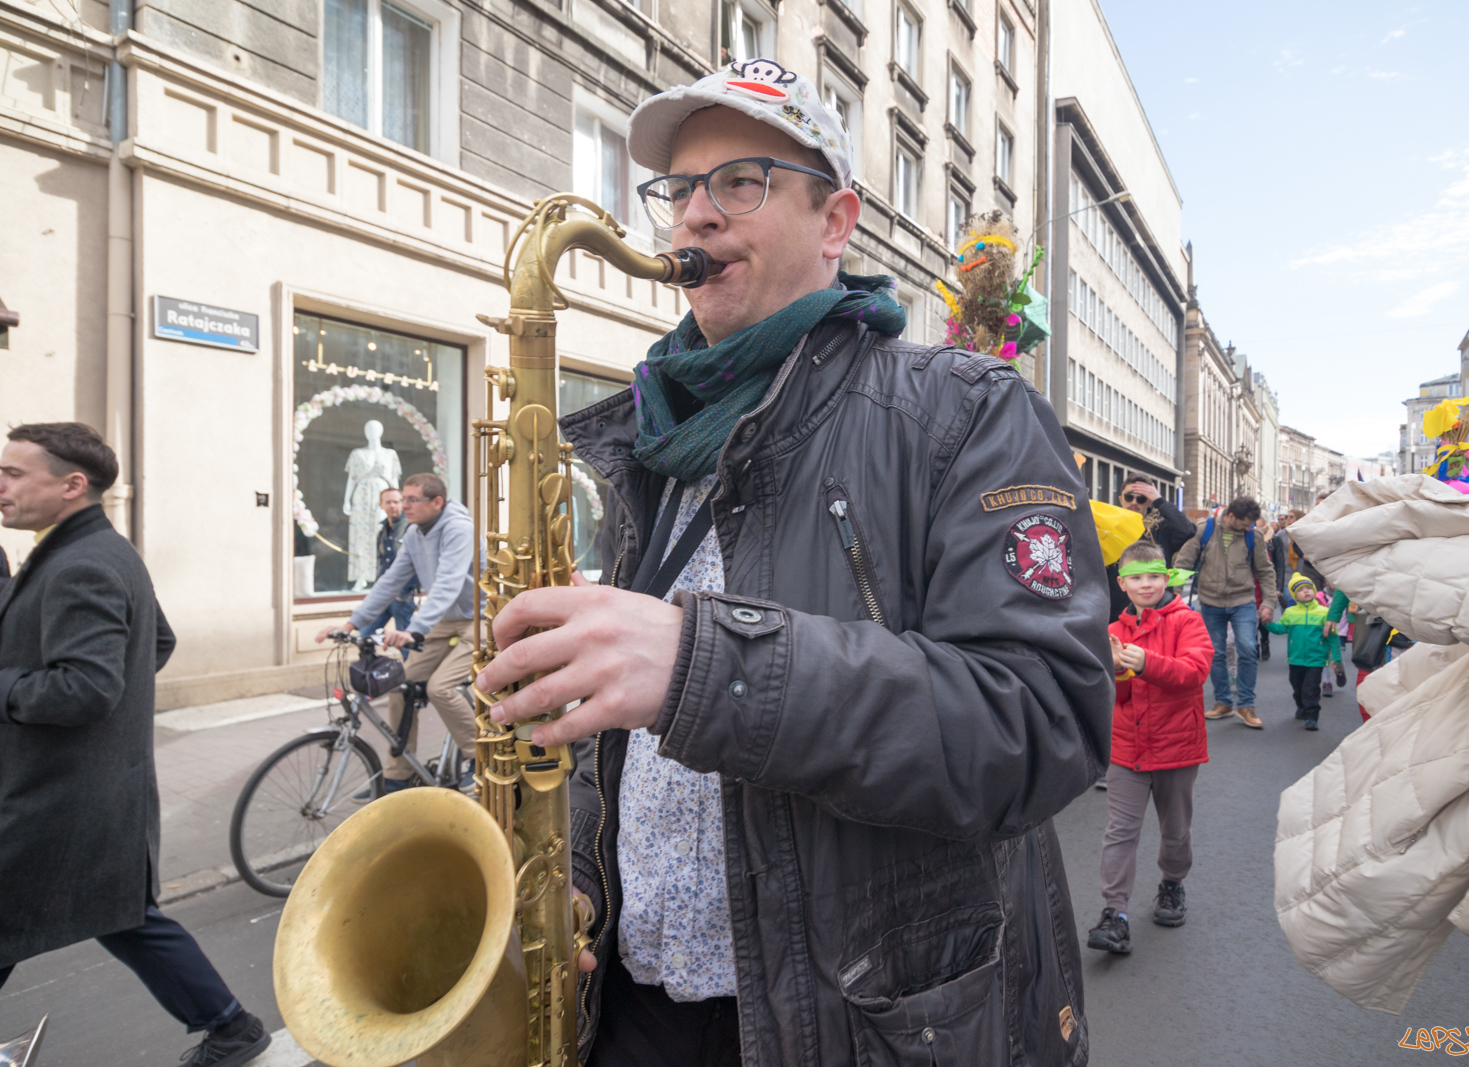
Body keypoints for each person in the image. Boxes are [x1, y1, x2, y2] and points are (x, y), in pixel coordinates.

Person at [470, 59, 1113, 1066]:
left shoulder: (968, 412)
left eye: (740, 181)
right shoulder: (640, 444)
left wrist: (701, 663)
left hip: (859, 1024)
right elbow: (616, 733)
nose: (694, 216)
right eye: (678, 189)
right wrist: (576, 868)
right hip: (629, 1008)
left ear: (836, 220)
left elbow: (1043, 721)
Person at [0, 423, 270, 1067]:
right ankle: (231, 1027)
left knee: (109, 914)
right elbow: (155, 643)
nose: (0, 485)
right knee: (123, 916)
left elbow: (84, 689)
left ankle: (234, 1029)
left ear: (71, 485)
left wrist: (10, 687)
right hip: (83, 793)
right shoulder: (95, 551)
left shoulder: (82, 563)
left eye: (12, 473)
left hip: (55, 800)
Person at [1086, 542, 1213, 956]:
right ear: (1121, 584)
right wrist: (1119, 673)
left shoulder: (1187, 620)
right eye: (1136, 578)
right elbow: (1115, 699)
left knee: (1175, 831)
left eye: (1154, 576)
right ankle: (1115, 912)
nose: (1146, 584)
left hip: (1177, 748)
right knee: (1120, 832)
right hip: (1126, 749)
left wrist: (1146, 664)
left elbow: (1195, 673)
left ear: (1167, 579)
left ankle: (1172, 884)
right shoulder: (1111, 632)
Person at [316, 472, 479, 794]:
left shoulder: (459, 529)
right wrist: (351, 624)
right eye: (402, 499)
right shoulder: (415, 534)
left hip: (480, 618)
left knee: (440, 688)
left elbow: (448, 583)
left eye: (411, 499)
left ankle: (480, 759)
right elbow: (389, 582)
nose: (403, 505)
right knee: (399, 685)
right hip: (444, 621)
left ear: (437, 502)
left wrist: (414, 630)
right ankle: (398, 776)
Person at [1172, 495, 1277, 729]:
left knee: (1248, 649)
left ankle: (1246, 705)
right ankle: (1224, 702)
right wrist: (1175, 597)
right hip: (1211, 602)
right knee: (1215, 652)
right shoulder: (1204, 530)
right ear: (1231, 516)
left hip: (1243, 601)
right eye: (1244, 523)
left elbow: (1266, 571)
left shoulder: (1254, 536)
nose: (1248, 528)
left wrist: (1268, 602)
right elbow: (1184, 562)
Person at [1103, 472, 1195, 623]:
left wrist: (1159, 500)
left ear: (1149, 501)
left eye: (1141, 498)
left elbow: (1186, 530)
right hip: (1117, 612)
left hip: (1155, 610)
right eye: (1129, 497)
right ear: (1120, 499)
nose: (1134, 502)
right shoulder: (1108, 526)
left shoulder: (1160, 527)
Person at [1265, 573, 1338, 730]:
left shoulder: (1324, 612)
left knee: (1311, 688)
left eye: (1308, 588)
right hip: (1295, 659)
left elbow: (1333, 637)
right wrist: (1268, 623)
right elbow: (1280, 629)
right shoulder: (1291, 612)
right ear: (1294, 595)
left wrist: (1336, 657)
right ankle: (1301, 706)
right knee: (1297, 686)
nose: (1306, 592)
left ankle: (1312, 717)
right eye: (1301, 590)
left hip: (1317, 659)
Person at [356, 487, 419, 658]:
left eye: (397, 502)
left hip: (402, 599)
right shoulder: (383, 530)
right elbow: (382, 565)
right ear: (381, 505)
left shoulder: (410, 528)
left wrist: (404, 593)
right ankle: (372, 677)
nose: (393, 506)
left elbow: (415, 564)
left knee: (405, 644)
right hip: (384, 596)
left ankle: (412, 681)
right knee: (365, 636)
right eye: (388, 502)